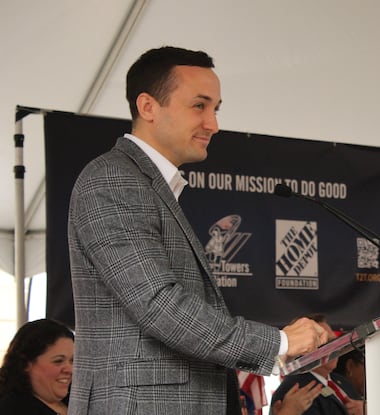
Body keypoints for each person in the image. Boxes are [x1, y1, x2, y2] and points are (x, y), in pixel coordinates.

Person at [67, 46, 328, 415]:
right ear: (148, 107)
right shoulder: (113, 179)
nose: (213, 124)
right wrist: (278, 342)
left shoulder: (149, 185)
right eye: (199, 106)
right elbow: (158, 304)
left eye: (216, 109)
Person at [270, 314, 365, 415]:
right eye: (325, 342)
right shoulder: (295, 390)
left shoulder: (341, 381)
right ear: (304, 348)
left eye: (334, 340)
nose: (335, 347)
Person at [0, 319, 74, 415]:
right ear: (26, 364)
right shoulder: (12, 408)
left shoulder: (77, 400)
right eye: (58, 361)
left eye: (72, 361)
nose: (70, 370)